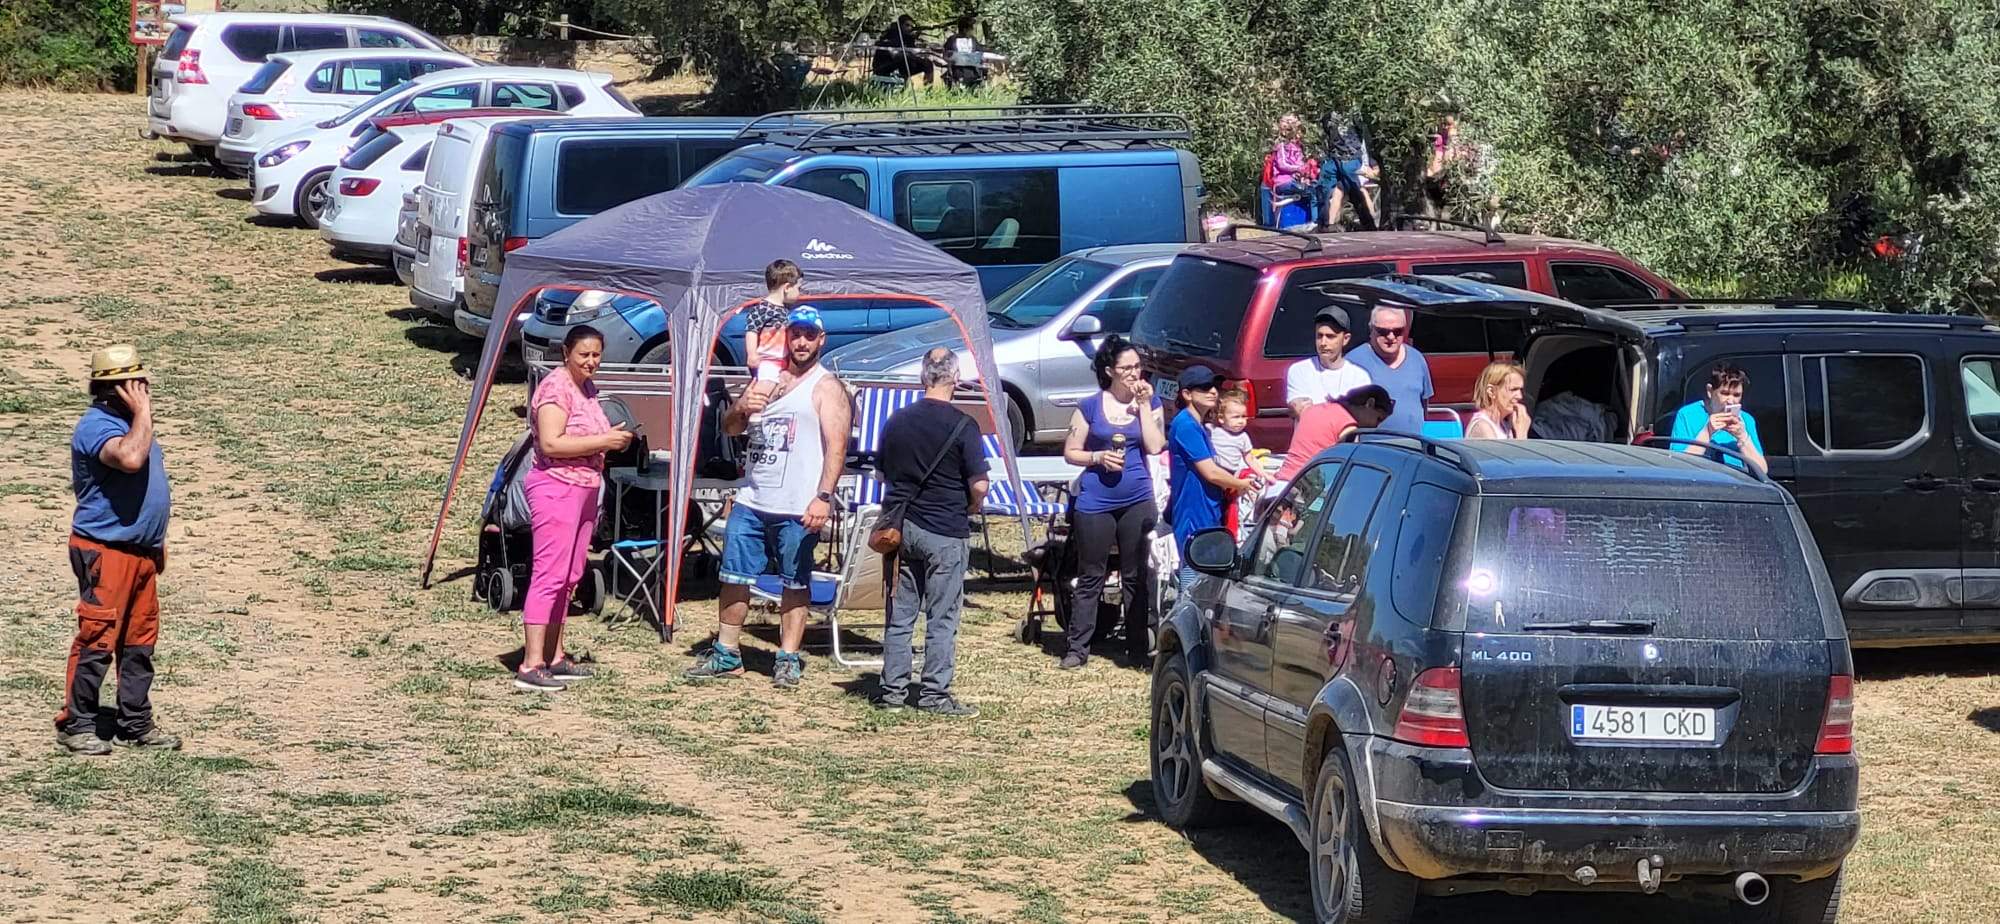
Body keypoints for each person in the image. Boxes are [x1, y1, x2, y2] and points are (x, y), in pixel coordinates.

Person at [688, 306, 852, 689]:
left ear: (821, 340)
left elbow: (837, 448)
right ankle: (727, 653)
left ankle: (788, 657)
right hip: (753, 497)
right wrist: (743, 407)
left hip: (798, 504)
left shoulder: (827, 387)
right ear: (786, 337)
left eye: (809, 335)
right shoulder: (767, 378)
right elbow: (731, 428)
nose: (801, 342)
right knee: (733, 576)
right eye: (796, 334)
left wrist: (823, 497)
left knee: (795, 582)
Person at [56, 344, 180, 754]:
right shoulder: (98, 426)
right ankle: (77, 724)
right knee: (98, 638)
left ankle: (135, 723)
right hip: (105, 551)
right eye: (136, 385)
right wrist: (143, 414)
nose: (144, 390)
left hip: (140, 553)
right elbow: (129, 459)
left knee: (140, 642)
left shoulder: (131, 423)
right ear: (116, 390)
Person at [514, 325, 632, 692]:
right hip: (556, 488)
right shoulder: (555, 387)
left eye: (597, 355)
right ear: (566, 353)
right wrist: (604, 440)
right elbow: (550, 443)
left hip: (584, 489)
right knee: (549, 575)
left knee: (569, 576)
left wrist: (614, 440)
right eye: (584, 354)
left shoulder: (587, 389)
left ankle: (555, 655)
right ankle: (531, 663)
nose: (591, 361)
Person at [876, 347, 990, 716]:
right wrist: (971, 506)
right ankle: (934, 695)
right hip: (945, 530)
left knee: (900, 615)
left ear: (923, 378)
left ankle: (892, 693)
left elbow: (883, 474)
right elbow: (980, 486)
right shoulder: (963, 425)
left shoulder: (895, 421)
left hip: (902, 529)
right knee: (942, 617)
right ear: (955, 379)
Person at [1059, 336, 1166, 669]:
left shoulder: (1151, 402)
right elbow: (1070, 452)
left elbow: (1154, 446)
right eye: (1127, 368)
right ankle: (1078, 648)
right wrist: (1097, 456)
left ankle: (1136, 647)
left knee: (1136, 574)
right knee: (1092, 573)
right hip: (1096, 499)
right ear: (1110, 371)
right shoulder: (1091, 405)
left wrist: (1146, 406)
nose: (1134, 374)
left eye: (1137, 367)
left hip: (1137, 497)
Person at [1165, 367, 1256, 590]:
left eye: (1214, 386)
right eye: (1204, 388)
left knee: (1207, 581)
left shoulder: (1201, 426)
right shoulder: (1185, 425)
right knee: (1193, 580)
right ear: (1187, 394)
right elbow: (1210, 472)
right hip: (1192, 512)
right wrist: (1241, 484)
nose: (1213, 392)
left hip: (1208, 511)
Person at [1267, 385, 1394, 493]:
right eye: (1378, 419)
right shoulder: (1348, 426)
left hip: (1280, 484)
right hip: (1301, 491)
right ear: (1369, 404)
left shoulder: (1314, 409)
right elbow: (1348, 468)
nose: (1375, 426)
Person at [1346, 305, 1433, 434]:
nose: (1391, 337)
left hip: (1412, 448)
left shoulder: (1417, 359)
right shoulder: (1353, 362)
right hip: (1368, 449)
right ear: (1371, 330)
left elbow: (1424, 405)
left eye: (1398, 331)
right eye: (1383, 331)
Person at [1670, 363, 1767, 473]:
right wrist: (1707, 432)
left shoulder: (1746, 420)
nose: (1731, 401)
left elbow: (1762, 470)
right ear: (1710, 391)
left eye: (1736, 395)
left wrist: (1743, 438)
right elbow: (1678, 465)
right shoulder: (1687, 415)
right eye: (1725, 393)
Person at [743, 260, 802, 423]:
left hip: (783, 360)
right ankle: (755, 419)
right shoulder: (762, 309)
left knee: (778, 390)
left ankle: (769, 418)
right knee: (765, 387)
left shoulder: (785, 311)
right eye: (798, 288)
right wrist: (752, 353)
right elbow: (751, 330)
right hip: (767, 359)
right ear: (787, 288)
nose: (799, 293)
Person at [1285, 305, 1372, 416]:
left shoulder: (1359, 377)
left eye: (1330, 336)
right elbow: (1302, 413)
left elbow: (1360, 418)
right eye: (1319, 336)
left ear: (1345, 339)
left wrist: (1317, 409)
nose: (1323, 343)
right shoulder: (1300, 371)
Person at [1315, 109, 1379, 231]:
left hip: (1350, 156)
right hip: (1332, 157)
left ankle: (1369, 224)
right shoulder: (1327, 111)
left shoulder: (1354, 112)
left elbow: (1363, 133)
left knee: (1355, 189)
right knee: (1323, 189)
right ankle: (1325, 224)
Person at [1207, 388, 1258, 536]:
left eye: (1244, 416)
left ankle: (1228, 533)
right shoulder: (1212, 431)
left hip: (1231, 477)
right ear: (1222, 418)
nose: (1241, 421)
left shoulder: (1243, 437)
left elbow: (1250, 458)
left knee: (1229, 508)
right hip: (1214, 472)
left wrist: (1264, 474)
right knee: (1215, 505)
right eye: (1236, 417)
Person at [1267, 114, 1319, 228]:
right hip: (1283, 182)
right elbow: (1282, 164)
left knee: (1316, 187)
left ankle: (1314, 219)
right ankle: (1316, 222)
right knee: (1312, 192)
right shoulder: (1281, 146)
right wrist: (1299, 168)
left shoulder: (1298, 147)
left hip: (1294, 180)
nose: (1299, 136)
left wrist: (1305, 174)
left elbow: (1300, 164)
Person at [1465, 361, 1532, 440]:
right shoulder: (1482, 427)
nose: (1520, 396)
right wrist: (1522, 434)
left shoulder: (1504, 425)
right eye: (1513, 389)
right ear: (1491, 391)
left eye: (1520, 390)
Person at [873, 14, 934, 86]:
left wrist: (920, 54)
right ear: (900, 25)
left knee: (928, 63)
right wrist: (913, 55)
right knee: (905, 58)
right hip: (884, 65)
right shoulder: (892, 33)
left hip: (901, 65)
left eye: (911, 26)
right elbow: (895, 54)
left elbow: (912, 50)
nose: (909, 28)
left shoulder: (908, 37)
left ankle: (928, 88)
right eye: (907, 25)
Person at [942, 16, 984, 88]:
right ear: (965, 30)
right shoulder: (972, 40)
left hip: (957, 72)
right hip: (970, 72)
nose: (973, 30)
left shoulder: (952, 40)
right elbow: (979, 55)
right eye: (972, 28)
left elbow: (945, 55)